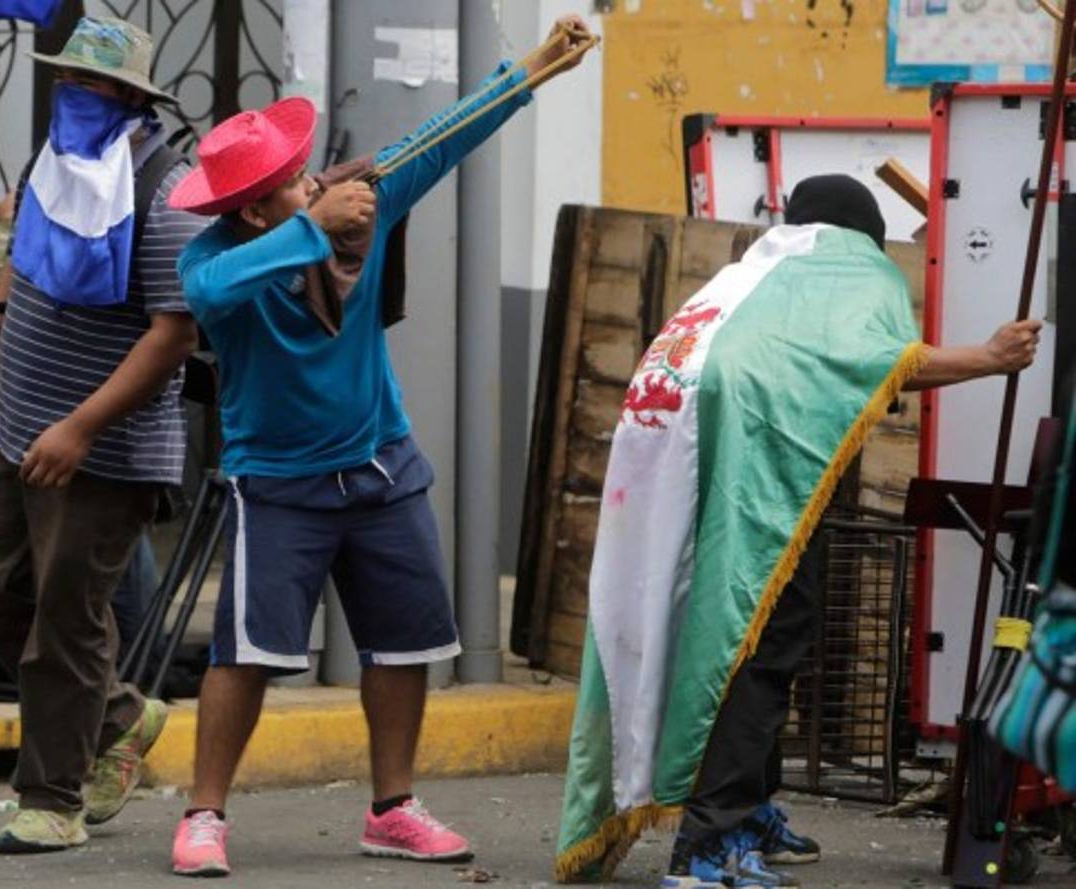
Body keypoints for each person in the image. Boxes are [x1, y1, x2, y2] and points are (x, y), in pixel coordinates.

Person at [163, 15, 597, 879]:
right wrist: (310, 228)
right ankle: (205, 814)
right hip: (277, 482)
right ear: (254, 208)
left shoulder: (355, 207)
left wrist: (538, 67)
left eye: (304, 169)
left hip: (381, 466)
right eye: (292, 180)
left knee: (404, 644)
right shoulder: (215, 259)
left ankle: (392, 808)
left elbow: (443, 136)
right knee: (246, 653)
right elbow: (213, 291)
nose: (313, 178)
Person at [555, 174, 1041, 887]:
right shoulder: (851, 271)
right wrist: (989, 357)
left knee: (761, 632)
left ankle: (745, 808)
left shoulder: (746, 277)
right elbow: (876, 360)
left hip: (676, 479)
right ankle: (708, 845)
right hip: (755, 490)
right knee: (751, 645)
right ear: (864, 237)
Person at [0, 16, 208, 854]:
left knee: (68, 614)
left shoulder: (168, 193)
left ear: (129, 96)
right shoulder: (55, 162)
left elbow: (173, 333)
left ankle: (53, 798)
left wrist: (81, 427)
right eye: (63, 80)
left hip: (103, 447)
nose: (70, 95)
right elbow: (23, 256)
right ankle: (123, 714)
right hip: (19, 419)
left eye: (87, 85)